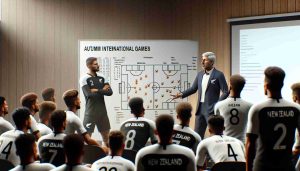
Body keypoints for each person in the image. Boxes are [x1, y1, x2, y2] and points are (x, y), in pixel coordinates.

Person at [246, 66, 300, 171]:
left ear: (265, 86)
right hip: (287, 166)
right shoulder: (296, 109)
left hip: (262, 166)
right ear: (282, 85)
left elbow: (250, 144)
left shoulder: (258, 109)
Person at [172, 52, 229, 139]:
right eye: (202, 60)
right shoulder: (200, 74)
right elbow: (193, 89)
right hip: (200, 109)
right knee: (197, 136)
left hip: (211, 109)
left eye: (204, 60)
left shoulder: (219, 74)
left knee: (214, 135)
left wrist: (217, 104)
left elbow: (225, 91)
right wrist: (181, 94)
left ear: (211, 62)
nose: (202, 62)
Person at [80, 57, 113, 146]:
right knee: (87, 139)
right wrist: (103, 90)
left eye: (97, 63)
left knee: (106, 139)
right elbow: (89, 95)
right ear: (89, 66)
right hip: (90, 113)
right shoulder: (84, 78)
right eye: (95, 64)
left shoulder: (102, 77)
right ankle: (86, 159)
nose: (98, 65)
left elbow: (110, 92)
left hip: (102, 112)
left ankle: (106, 158)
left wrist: (97, 90)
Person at [214, 74, 252, 143]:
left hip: (224, 142)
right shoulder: (250, 106)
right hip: (242, 143)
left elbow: (216, 129)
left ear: (229, 87)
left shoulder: (219, 105)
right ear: (242, 87)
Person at [120, 97, 157, 162]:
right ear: (143, 109)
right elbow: (155, 145)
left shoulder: (123, 124)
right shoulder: (149, 123)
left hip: (122, 157)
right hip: (137, 157)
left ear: (131, 111)